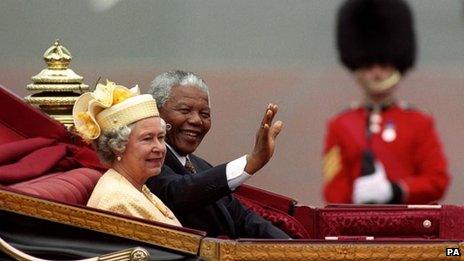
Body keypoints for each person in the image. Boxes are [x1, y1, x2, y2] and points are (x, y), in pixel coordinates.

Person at [323, 0, 450, 204]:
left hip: (409, 229)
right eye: (368, 65)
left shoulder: (419, 123)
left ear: (396, 65)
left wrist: (396, 191)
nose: (377, 73)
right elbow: (334, 190)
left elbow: (437, 180)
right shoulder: (340, 125)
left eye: (383, 64)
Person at [146, 70, 289, 239]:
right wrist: (251, 162)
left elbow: (242, 218)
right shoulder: (148, 162)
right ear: (155, 112)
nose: (197, 120)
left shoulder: (200, 166)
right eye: (185, 110)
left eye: (204, 114)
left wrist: (297, 249)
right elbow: (180, 192)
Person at [72, 80, 181, 226]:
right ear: (117, 146)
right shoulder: (117, 201)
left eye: (161, 137)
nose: (159, 148)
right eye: (147, 139)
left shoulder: (136, 186)